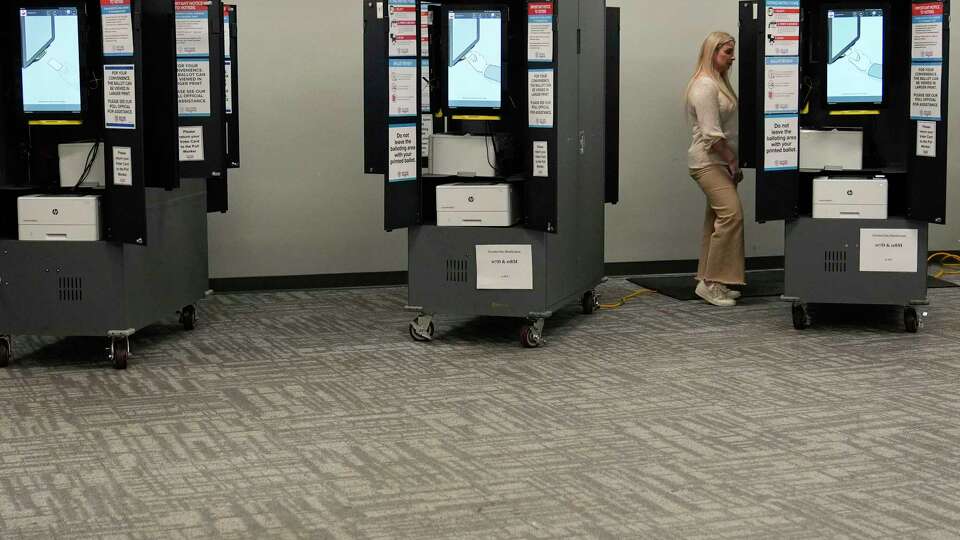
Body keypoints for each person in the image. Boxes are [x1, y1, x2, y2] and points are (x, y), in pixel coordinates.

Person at [684, 31, 745, 307]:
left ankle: (710, 279)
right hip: (709, 162)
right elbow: (712, 134)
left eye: (732, 52)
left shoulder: (718, 83)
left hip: (718, 161)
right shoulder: (705, 86)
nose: (732, 58)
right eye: (727, 52)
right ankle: (712, 284)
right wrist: (732, 160)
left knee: (716, 220)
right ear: (712, 53)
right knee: (731, 215)